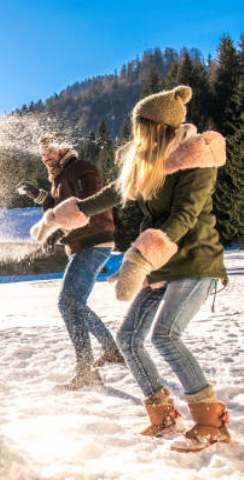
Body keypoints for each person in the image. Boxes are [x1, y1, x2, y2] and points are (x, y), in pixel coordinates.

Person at [30, 85, 230, 451]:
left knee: (165, 336)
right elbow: (108, 195)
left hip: (194, 259)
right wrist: (56, 217)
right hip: (161, 265)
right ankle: (162, 414)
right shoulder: (144, 162)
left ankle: (210, 421)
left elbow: (184, 216)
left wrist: (139, 258)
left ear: (162, 128)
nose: (138, 136)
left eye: (143, 129)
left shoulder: (196, 159)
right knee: (128, 339)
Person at [19, 136, 123, 390]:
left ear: (63, 148)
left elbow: (87, 203)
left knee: (68, 302)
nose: (45, 157)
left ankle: (86, 371)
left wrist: (59, 226)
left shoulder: (81, 168)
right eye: (42, 153)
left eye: (50, 151)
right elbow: (57, 205)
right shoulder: (62, 176)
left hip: (93, 240)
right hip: (82, 244)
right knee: (75, 303)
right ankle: (111, 351)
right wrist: (40, 196)